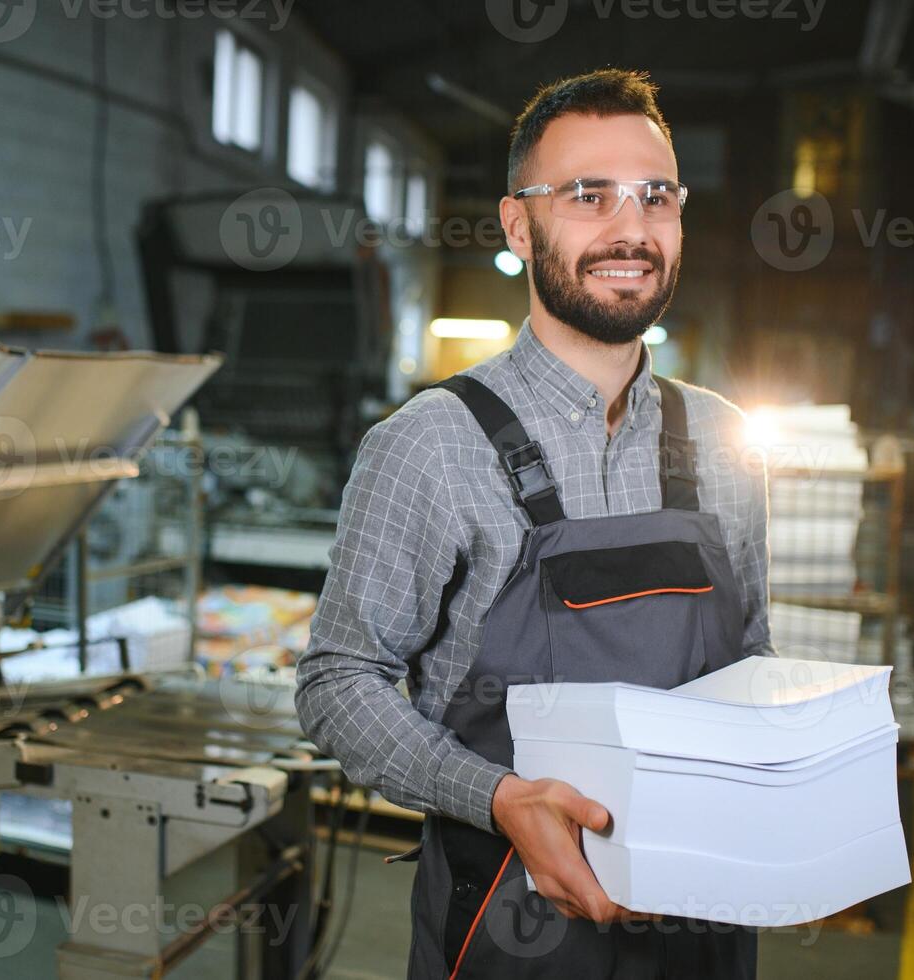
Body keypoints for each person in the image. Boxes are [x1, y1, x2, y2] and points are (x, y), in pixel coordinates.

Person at [295, 69, 773, 978]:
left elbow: (747, 658)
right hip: (508, 926)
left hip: (703, 918)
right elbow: (337, 679)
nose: (629, 229)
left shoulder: (724, 437)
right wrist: (496, 796)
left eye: (655, 197)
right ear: (519, 224)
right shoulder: (428, 445)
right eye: (588, 195)